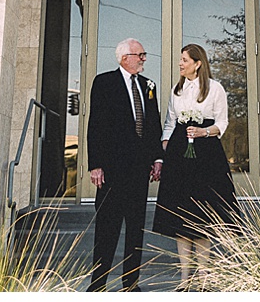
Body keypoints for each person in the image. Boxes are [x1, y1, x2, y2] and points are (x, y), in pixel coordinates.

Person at [151, 43, 240, 288]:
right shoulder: (177, 90)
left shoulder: (215, 89)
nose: (180, 64)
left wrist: (203, 132)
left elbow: (222, 123)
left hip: (206, 156)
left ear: (197, 63)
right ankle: (184, 278)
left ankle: (203, 277)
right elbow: (169, 122)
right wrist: (168, 146)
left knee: (202, 218)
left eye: (184, 60)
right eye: (180, 60)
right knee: (181, 217)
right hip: (179, 157)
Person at [87, 37, 164, 291]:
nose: (143, 59)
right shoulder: (104, 82)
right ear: (124, 58)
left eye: (143, 54)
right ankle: (97, 285)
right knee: (107, 229)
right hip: (112, 170)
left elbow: (153, 124)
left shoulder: (148, 85)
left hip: (139, 171)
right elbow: (95, 125)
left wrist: (157, 158)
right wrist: (95, 164)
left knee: (135, 229)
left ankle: (131, 284)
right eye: (139, 54)